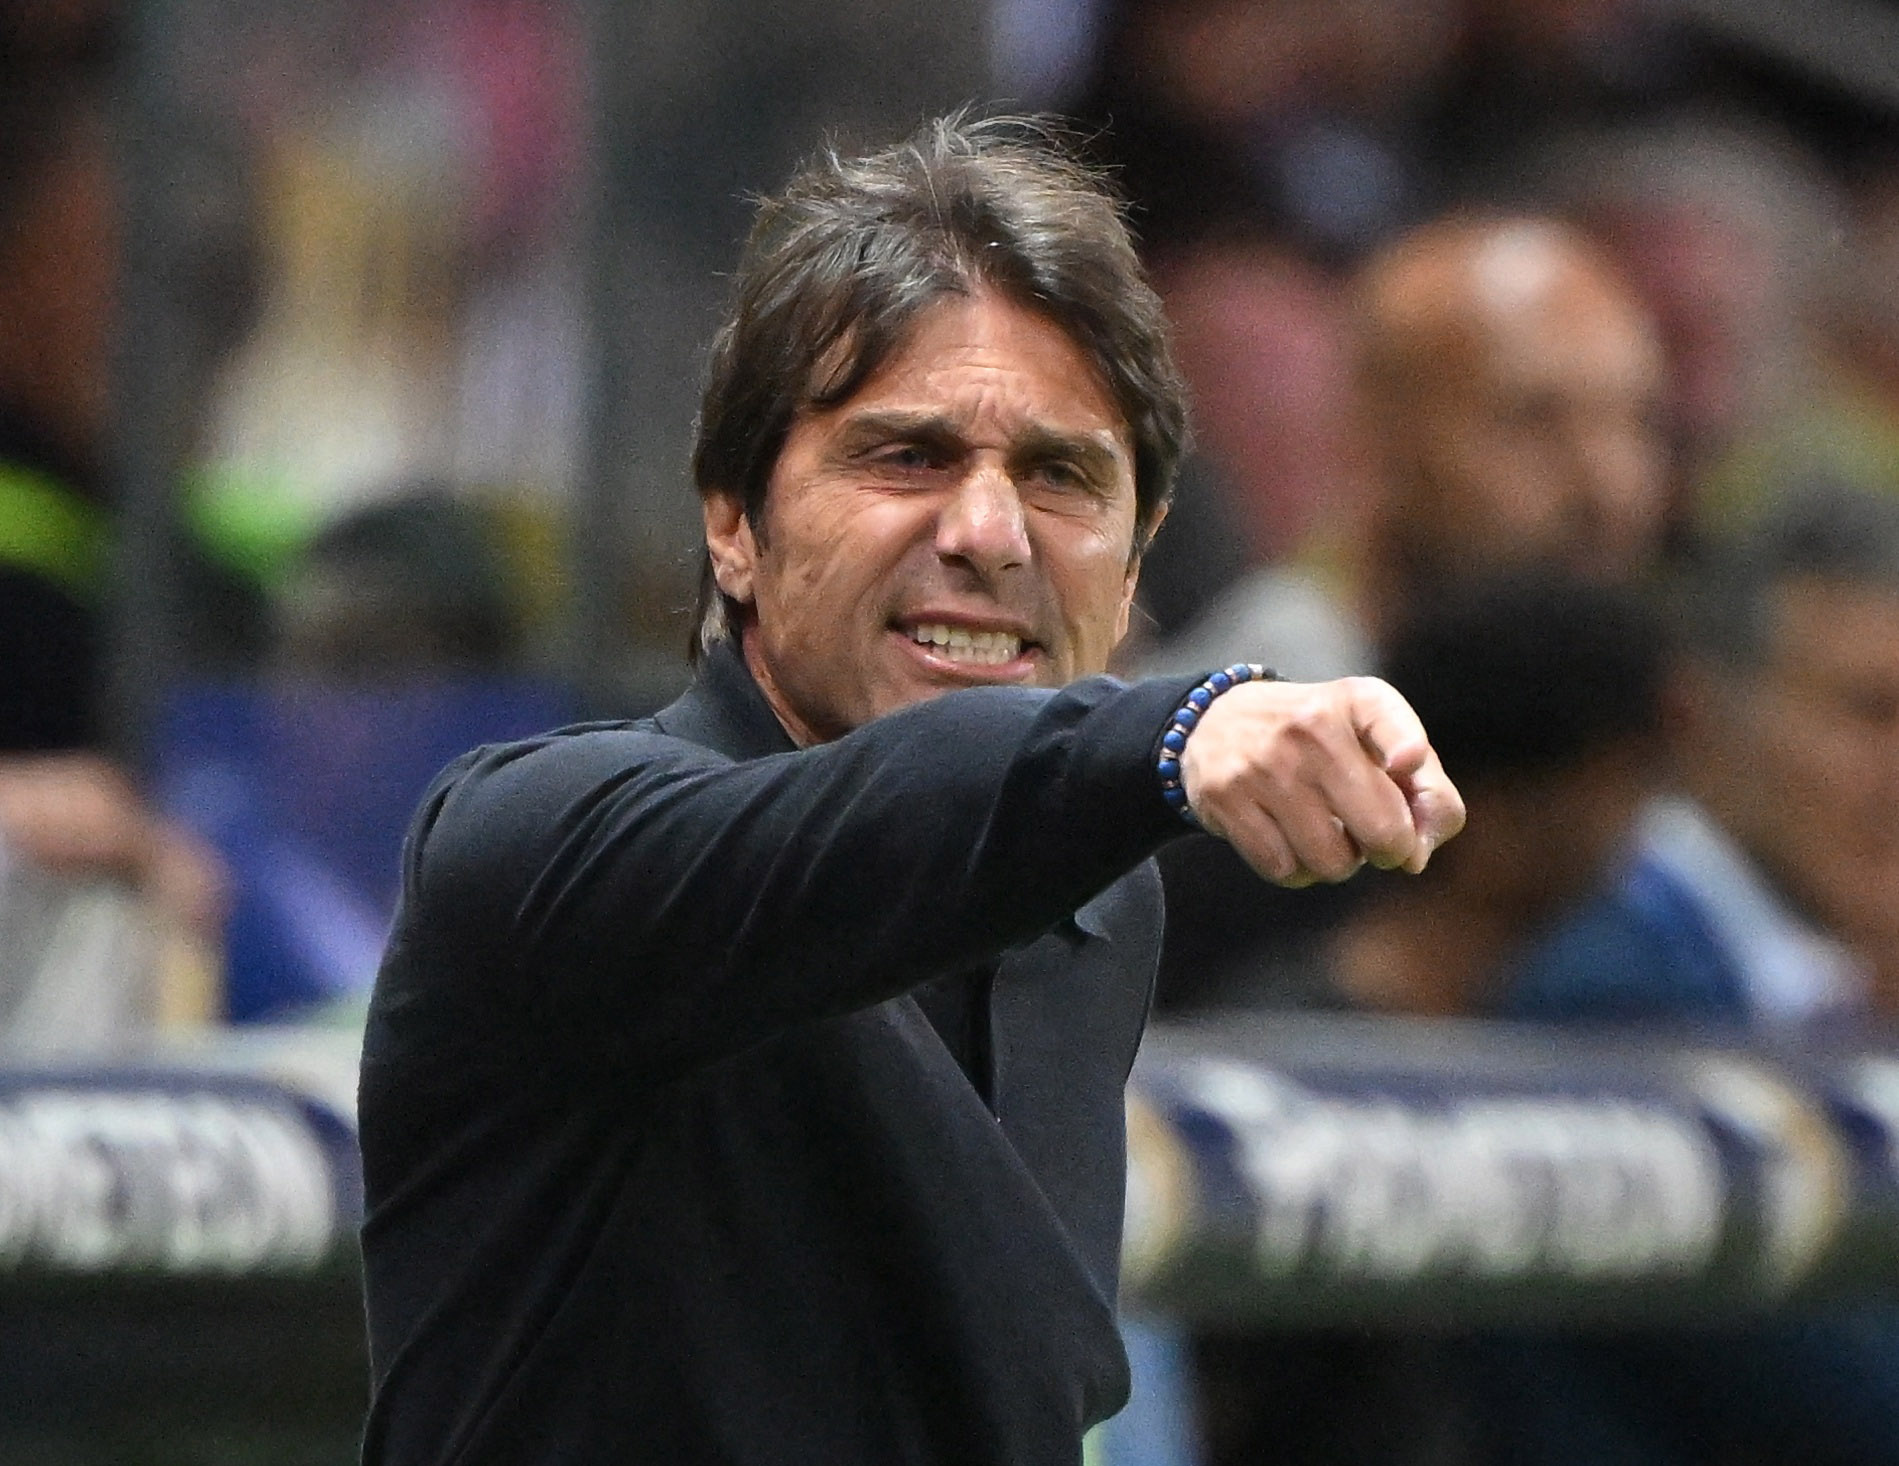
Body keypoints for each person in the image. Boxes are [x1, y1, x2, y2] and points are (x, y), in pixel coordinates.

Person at [356, 114, 1465, 1466]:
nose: (988, 534)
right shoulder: (543, 851)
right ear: (733, 521)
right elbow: (863, 834)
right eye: (907, 456)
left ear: (1134, 567)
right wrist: (1177, 727)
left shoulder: (1099, 897)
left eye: (1060, 476)